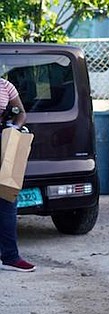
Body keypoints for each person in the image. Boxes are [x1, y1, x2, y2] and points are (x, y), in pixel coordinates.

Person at [0, 78, 35, 272]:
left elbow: (21, 112)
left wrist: (15, 127)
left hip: (4, 143)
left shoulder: (5, 86)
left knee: (7, 197)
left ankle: (10, 257)